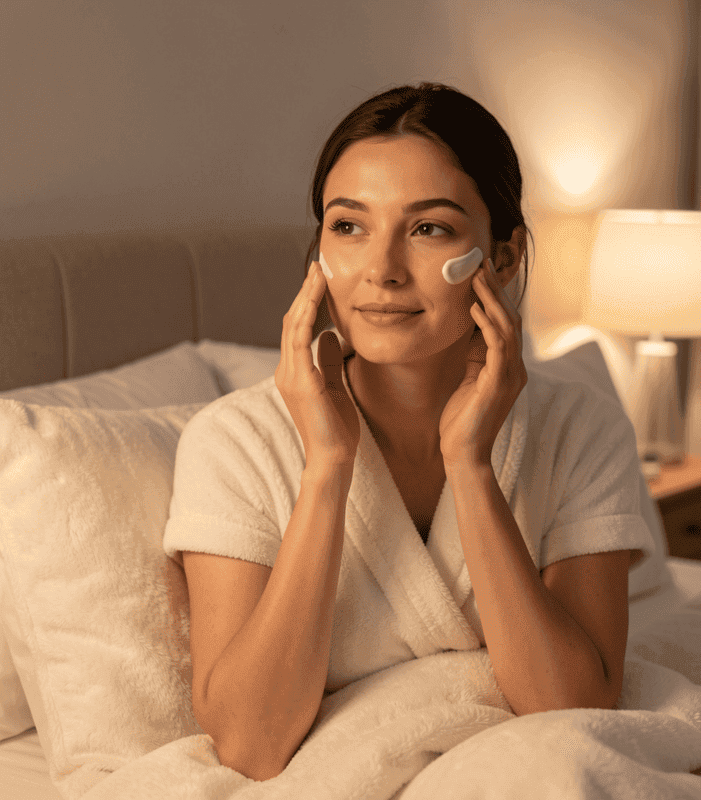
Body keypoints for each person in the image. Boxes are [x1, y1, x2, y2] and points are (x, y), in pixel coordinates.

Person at [163, 82, 654, 782]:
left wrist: (472, 467)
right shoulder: (234, 441)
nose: (382, 271)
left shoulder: (582, 428)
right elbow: (250, 744)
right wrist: (328, 469)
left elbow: (569, 707)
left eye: (429, 228)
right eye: (349, 226)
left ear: (503, 259)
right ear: (319, 252)